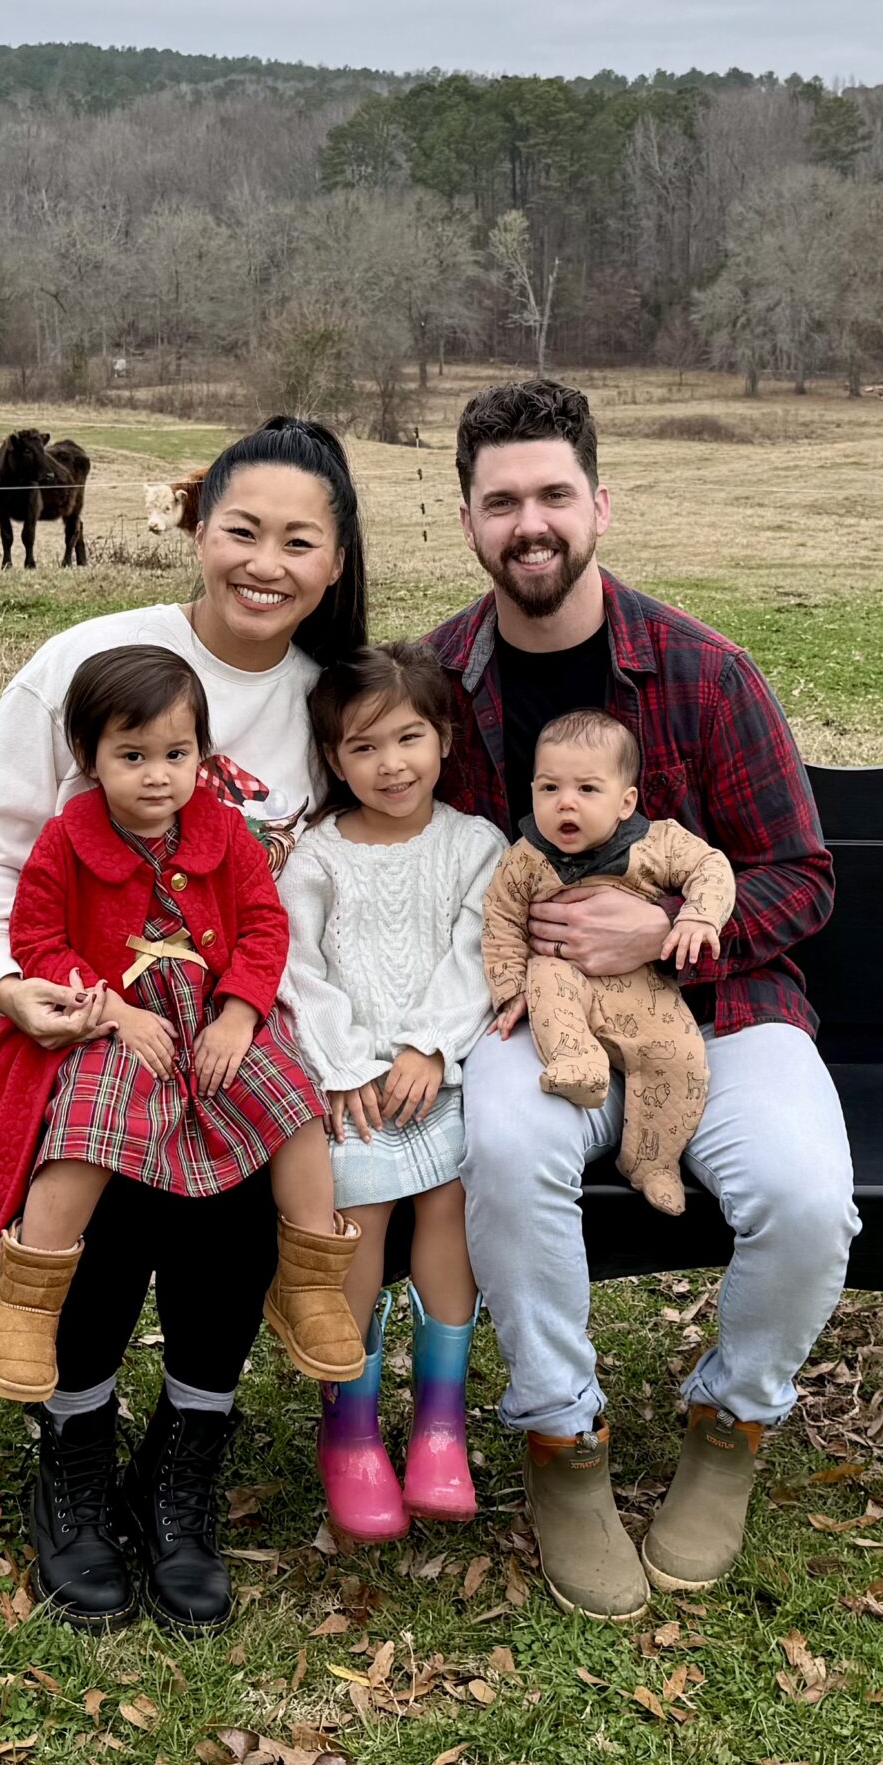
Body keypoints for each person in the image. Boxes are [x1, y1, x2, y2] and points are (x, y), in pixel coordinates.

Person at [430, 378, 858, 1622]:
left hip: (722, 1013)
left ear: (600, 504)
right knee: (505, 1150)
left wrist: (666, 932)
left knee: (805, 1199)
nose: (531, 523)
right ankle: (562, 1437)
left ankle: (733, 1423)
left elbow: (802, 875)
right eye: (502, 500)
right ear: (468, 519)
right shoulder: (438, 683)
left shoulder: (704, 673)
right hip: (541, 1017)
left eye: (554, 493)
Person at [0, 415, 366, 1635]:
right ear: (195, 525)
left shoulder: (331, 702)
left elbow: (325, 895)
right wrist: (12, 984)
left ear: (336, 560)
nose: (266, 564)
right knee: (121, 1156)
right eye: (242, 530)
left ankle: (187, 1454)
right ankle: (73, 1448)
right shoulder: (90, 660)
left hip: (224, 1018)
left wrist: (267, 1018)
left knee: (229, 1156)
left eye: (299, 541)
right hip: (60, 1003)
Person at [0, 646, 365, 1415]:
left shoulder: (225, 833)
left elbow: (264, 927)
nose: (157, 775)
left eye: (176, 755)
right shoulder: (66, 839)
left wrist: (241, 1014)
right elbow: (37, 939)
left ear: (201, 754)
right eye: (133, 756)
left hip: (215, 1013)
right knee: (86, 1121)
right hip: (111, 1021)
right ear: (87, 756)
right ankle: (31, 1300)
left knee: (292, 1099)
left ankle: (310, 1280)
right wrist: (111, 1013)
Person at [277, 644, 503, 1540]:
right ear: (334, 761)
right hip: (350, 1081)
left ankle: (442, 1423)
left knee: (450, 1201)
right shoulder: (317, 858)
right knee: (360, 1213)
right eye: (363, 748)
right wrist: (342, 1066)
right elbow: (297, 968)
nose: (391, 764)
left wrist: (430, 1045)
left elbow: (479, 953)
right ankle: (351, 1427)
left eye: (408, 738)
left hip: (438, 1068)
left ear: (444, 738)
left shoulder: (474, 846)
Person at [481, 708, 735, 1214]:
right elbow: (501, 919)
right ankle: (578, 1061)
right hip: (561, 977)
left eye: (587, 789)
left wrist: (696, 916)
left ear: (625, 802)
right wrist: (510, 989)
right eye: (549, 788)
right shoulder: (525, 858)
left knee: (679, 1059)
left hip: (643, 988)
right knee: (545, 977)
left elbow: (710, 866)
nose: (565, 802)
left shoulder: (656, 843)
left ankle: (652, 1161)